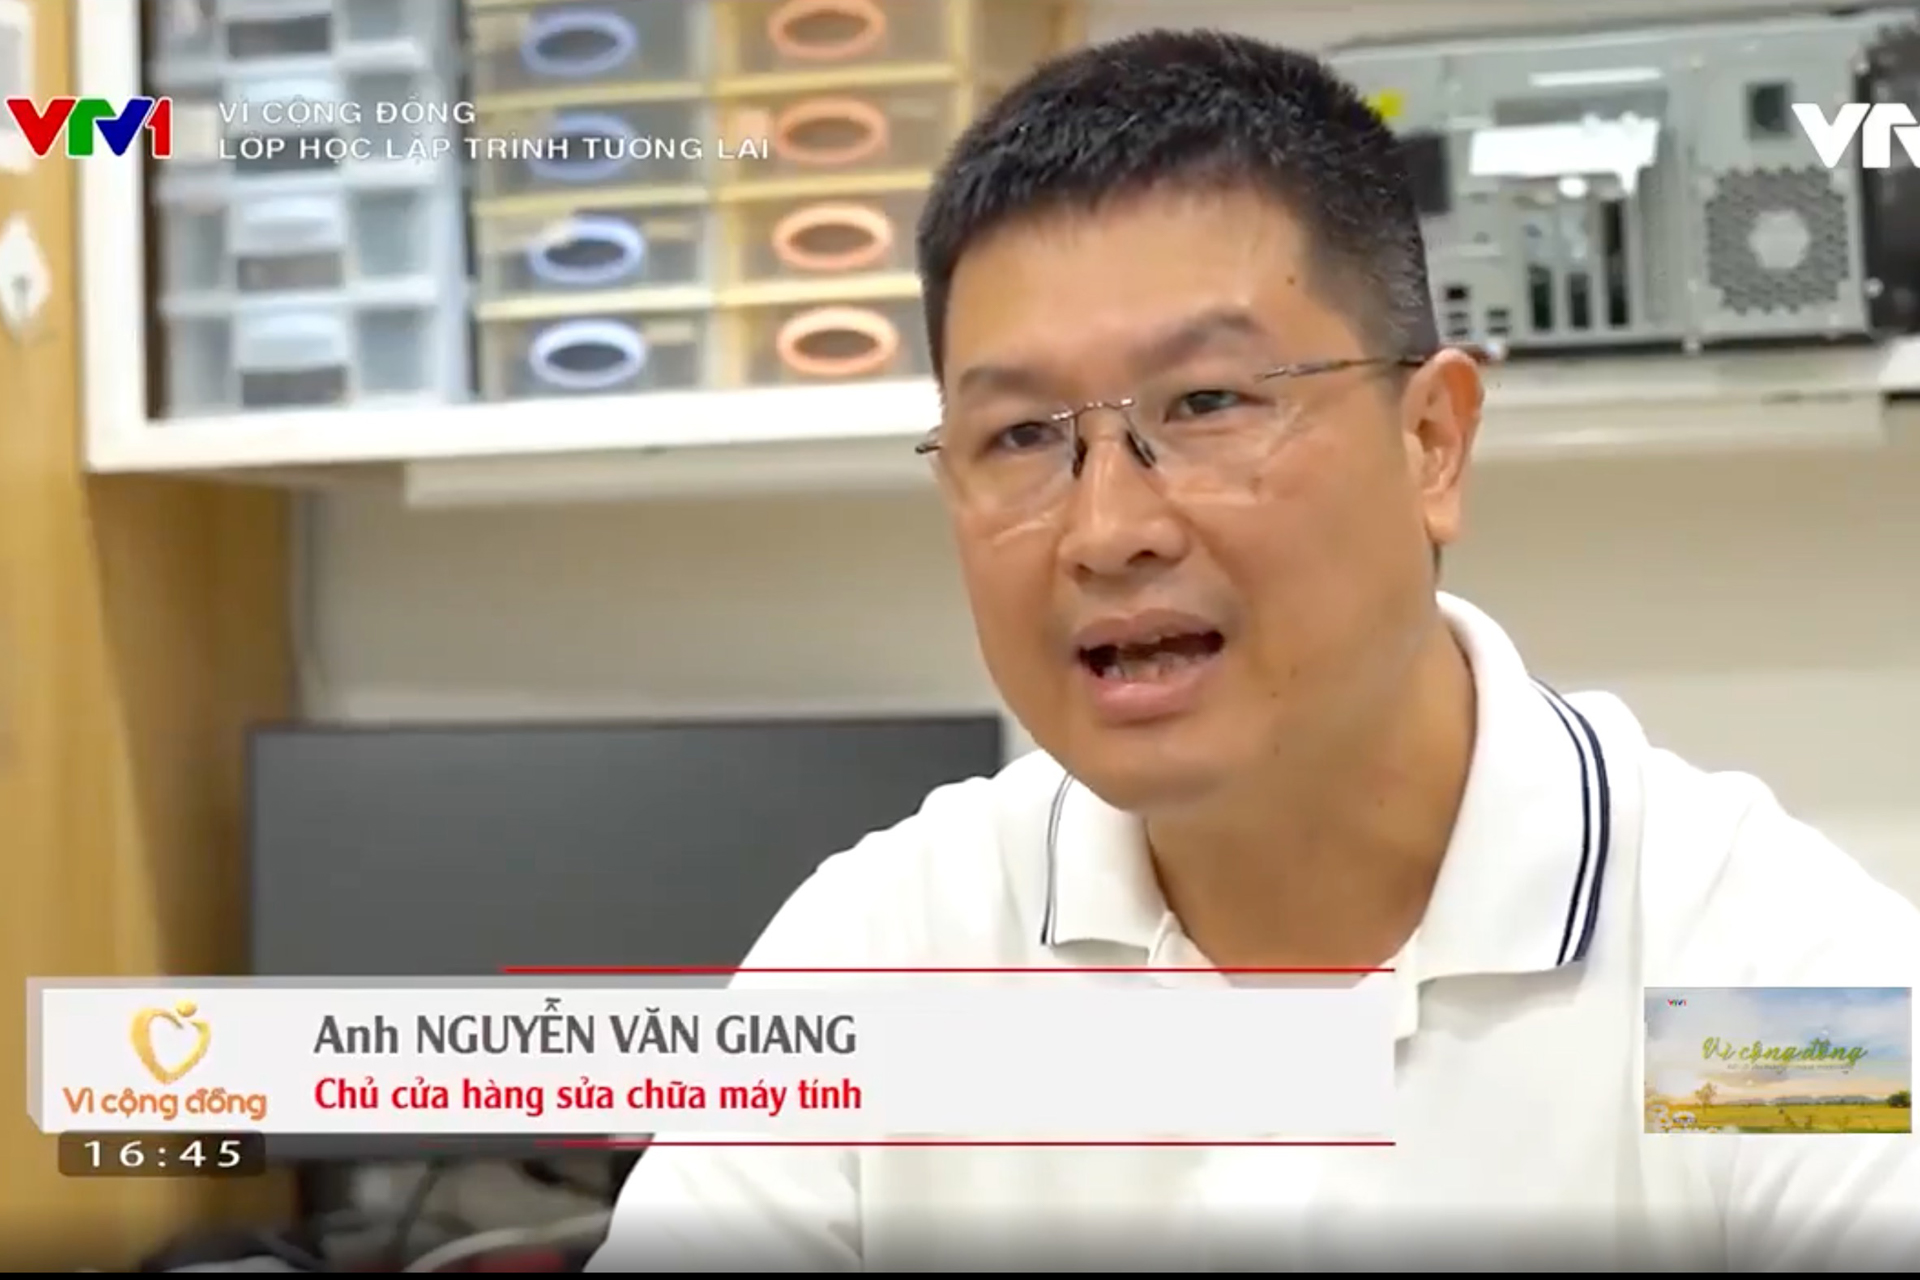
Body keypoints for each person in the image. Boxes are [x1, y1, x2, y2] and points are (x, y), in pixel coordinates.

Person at [590, 28, 1920, 1271]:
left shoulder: (1747, 983)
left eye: (1210, 402)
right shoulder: (897, 952)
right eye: (1021, 436)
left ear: (1432, 442)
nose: (1108, 530)